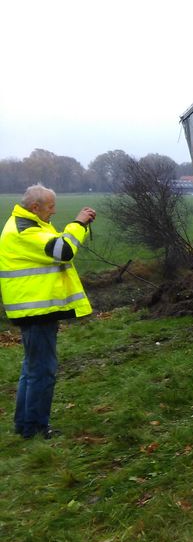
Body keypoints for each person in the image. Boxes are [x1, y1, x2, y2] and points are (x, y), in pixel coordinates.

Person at [0, 184, 95, 439]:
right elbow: (63, 251)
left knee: (31, 369)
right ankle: (36, 429)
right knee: (42, 370)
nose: (54, 211)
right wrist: (78, 223)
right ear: (35, 207)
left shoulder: (28, 223)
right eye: (51, 206)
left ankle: (25, 426)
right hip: (36, 310)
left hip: (34, 309)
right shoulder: (25, 230)